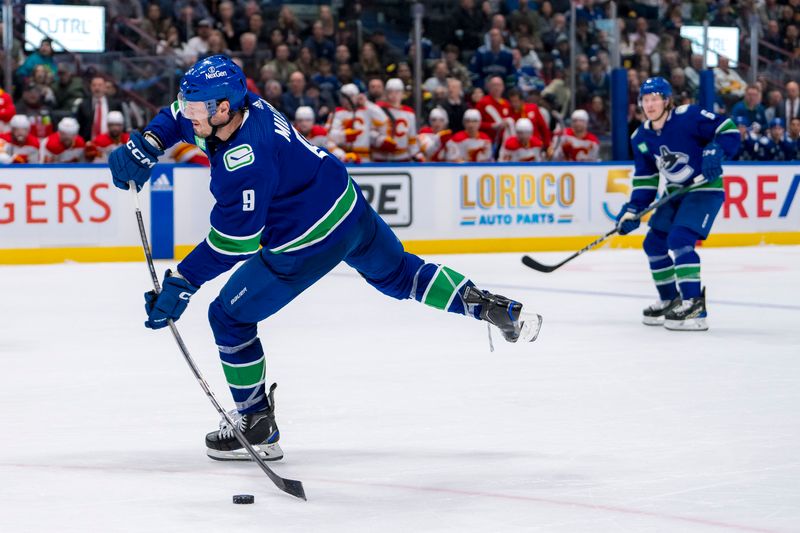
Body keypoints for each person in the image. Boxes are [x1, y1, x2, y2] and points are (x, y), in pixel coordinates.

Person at [108, 56, 542, 461]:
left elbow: (237, 241)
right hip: (348, 209)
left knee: (228, 318)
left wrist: (183, 281)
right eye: (187, 102)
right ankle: (485, 304)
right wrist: (147, 143)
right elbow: (174, 117)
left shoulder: (247, 160)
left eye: (196, 106)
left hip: (305, 241)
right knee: (402, 274)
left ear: (222, 108)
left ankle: (258, 424)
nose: (187, 113)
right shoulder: (243, 106)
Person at [617, 77, 740, 331]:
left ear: (667, 100)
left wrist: (716, 150)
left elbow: (728, 129)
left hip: (704, 190)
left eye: (655, 99)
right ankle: (670, 299)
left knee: (680, 239)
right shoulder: (640, 136)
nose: (650, 104)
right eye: (645, 100)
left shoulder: (689, 116)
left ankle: (694, 305)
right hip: (675, 193)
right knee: (653, 243)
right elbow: (646, 179)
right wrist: (633, 209)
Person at [372, 78, 420, 163]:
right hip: (380, 158)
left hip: (403, 158)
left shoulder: (409, 113)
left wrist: (416, 154)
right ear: (386, 93)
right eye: (390, 91)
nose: (394, 95)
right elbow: (369, 132)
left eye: (397, 92)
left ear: (402, 93)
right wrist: (380, 141)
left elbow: (412, 138)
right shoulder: (377, 110)